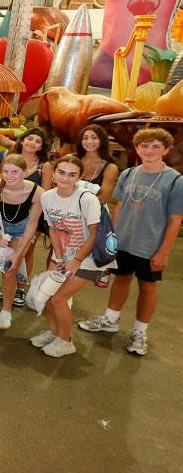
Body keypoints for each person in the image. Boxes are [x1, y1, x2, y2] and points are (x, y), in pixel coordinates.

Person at [78, 128, 183, 357]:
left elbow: (176, 219)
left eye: (155, 146)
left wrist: (164, 252)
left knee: (147, 287)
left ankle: (139, 332)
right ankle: (111, 319)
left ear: (166, 149)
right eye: (144, 146)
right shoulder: (128, 174)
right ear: (137, 149)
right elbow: (121, 206)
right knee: (121, 279)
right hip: (123, 242)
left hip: (150, 246)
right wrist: (111, 239)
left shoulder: (175, 181)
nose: (149, 150)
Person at [33, 156, 110, 358]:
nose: (65, 178)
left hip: (88, 258)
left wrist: (76, 261)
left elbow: (94, 234)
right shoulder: (47, 197)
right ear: (54, 173)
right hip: (64, 256)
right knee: (48, 298)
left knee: (59, 299)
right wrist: (59, 258)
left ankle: (66, 342)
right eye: (61, 172)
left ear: (79, 177)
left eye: (72, 174)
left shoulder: (87, 199)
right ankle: (55, 333)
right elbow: (52, 229)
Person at [0, 155, 42, 330]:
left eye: (15, 172)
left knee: (9, 271)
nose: (9, 176)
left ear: (25, 173)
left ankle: (6, 310)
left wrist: (19, 253)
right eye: (5, 171)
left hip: (21, 231)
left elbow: (32, 224)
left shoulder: (36, 192)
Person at [5, 126, 53, 306]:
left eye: (37, 141)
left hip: (33, 216)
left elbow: (45, 194)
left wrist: (33, 221)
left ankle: (20, 288)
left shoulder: (44, 166)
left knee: (25, 252)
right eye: (30, 138)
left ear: (41, 147)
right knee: (9, 251)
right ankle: (7, 284)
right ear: (22, 140)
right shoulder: (12, 159)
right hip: (9, 215)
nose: (33, 143)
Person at [74, 124, 120, 288]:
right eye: (85, 137)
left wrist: (74, 204)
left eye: (94, 137)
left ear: (102, 140)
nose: (89, 141)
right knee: (59, 254)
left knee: (84, 258)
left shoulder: (110, 167)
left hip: (93, 219)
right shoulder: (73, 160)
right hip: (67, 217)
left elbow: (103, 198)